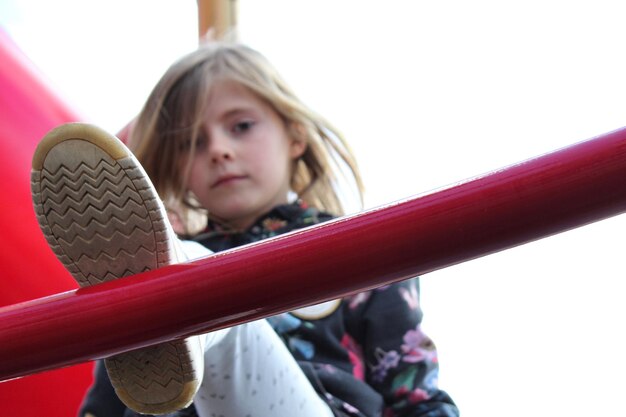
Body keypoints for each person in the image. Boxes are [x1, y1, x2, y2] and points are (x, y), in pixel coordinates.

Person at [30, 41, 459, 417]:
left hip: (307, 405)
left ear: (294, 137)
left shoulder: (360, 250)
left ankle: (178, 304)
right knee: (162, 279)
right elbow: (107, 402)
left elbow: (413, 390)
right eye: (192, 143)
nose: (218, 149)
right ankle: (163, 311)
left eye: (241, 126)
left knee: (195, 279)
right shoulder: (162, 255)